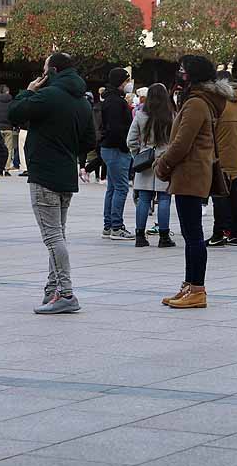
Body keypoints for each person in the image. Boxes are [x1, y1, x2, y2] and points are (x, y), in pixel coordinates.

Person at [9, 52, 97, 314]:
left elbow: (15, 112)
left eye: (45, 69)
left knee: (52, 237)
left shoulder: (48, 96)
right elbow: (89, 141)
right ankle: (52, 289)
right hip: (66, 173)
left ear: (53, 71)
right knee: (58, 233)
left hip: (44, 173)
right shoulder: (82, 101)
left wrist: (27, 91)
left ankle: (67, 293)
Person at [156, 55, 226, 310]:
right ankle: (190, 284)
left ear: (193, 75)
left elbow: (182, 143)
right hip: (192, 173)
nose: (180, 74)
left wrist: (162, 164)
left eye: (183, 70)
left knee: (193, 235)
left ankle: (197, 289)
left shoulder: (197, 103)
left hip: (191, 174)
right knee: (190, 234)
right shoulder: (198, 101)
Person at [127, 82, 174, 248]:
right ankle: (164, 236)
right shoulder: (171, 116)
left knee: (144, 199)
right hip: (165, 160)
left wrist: (138, 155)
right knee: (164, 199)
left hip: (145, 160)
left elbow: (131, 140)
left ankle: (140, 236)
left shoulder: (140, 115)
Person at [209, 72, 237, 247]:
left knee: (220, 197)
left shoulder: (219, 106)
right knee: (236, 195)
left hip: (219, 158)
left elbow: (209, 131)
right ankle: (235, 232)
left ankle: (218, 233)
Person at [98, 68, 134, 240]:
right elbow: (116, 129)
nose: (129, 84)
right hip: (116, 149)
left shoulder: (111, 99)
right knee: (121, 188)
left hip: (110, 148)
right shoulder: (115, 102)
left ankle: (109, 225)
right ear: (121, 82)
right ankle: (116, 227)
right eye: (127, 81)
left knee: (112, 188)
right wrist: (125, 147)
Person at [0, 84, 19, 175]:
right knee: (9, 149)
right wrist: (15, 125)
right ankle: (6, 168)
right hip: (9, 128)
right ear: (8, 92)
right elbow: (15, 116)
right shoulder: (12, 103)